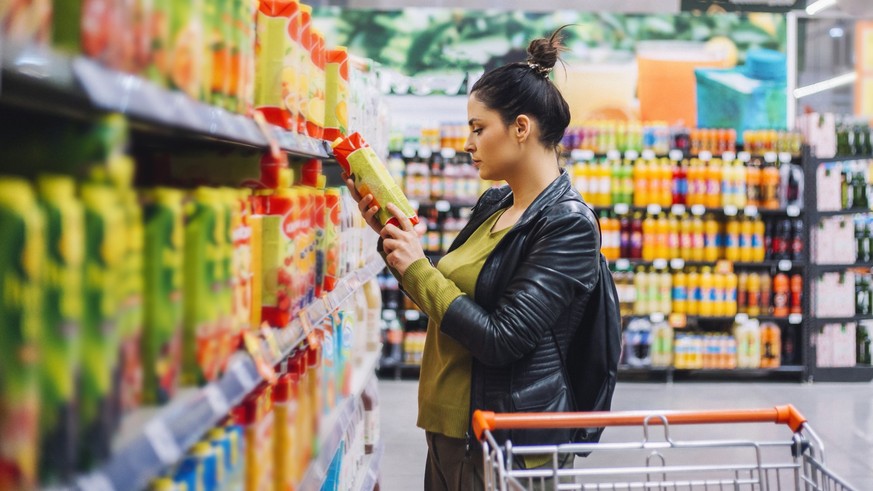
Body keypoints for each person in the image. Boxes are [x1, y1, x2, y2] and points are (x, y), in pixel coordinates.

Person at [344, 27, 602, 491]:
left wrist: (419, 268)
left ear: (521, 128)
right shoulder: (494, 205)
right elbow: (443, 296)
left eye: (478, 129)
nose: (468, 143)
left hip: (502, 444)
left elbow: (502, 338)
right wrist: (391, 237)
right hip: (449, 431)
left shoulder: (567, 224)